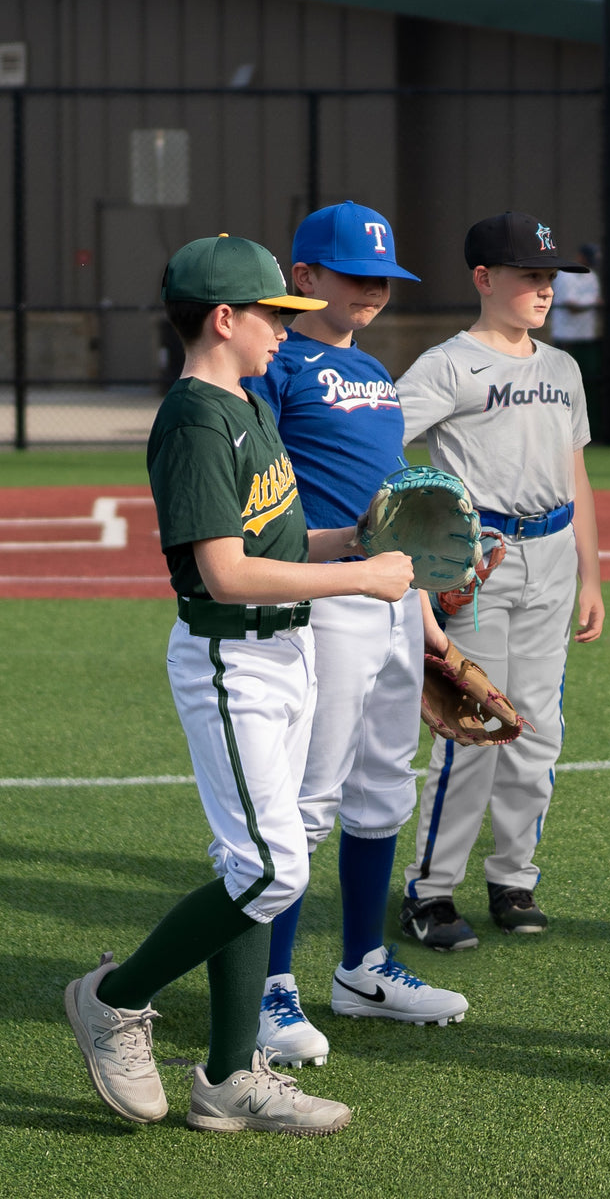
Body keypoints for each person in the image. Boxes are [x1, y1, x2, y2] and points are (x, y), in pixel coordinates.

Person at [64, 234, 414, 1135]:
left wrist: (368, 540)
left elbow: (284, 546)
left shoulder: (248, 406)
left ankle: (228, 1078)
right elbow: (226, 573)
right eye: (273, 315)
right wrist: (358, 580)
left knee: (251, 866)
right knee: (269, 866)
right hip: (233, 660)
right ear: (225, 319)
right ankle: (114, 998)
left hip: (285, 653)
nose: (284, 331)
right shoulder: (193, 419)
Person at [242, 202, 469, 1069]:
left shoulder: (376, 370)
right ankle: (269, 986)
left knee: (384, 785)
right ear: (304, 279)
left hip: (388, 601)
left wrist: (419, 611)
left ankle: (363, 966)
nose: (373, 289)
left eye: (383, 278)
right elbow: (260, 489)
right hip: (322, 597)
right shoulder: (279, 367)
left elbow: (391, 506)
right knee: (308, 797)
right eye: (354, 275)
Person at [394, 210, 605, 951]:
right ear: (485, 278)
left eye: (550, 277)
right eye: (529, 276)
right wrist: (421, 541)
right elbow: (380, 439)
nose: (544, 290)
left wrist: (592, 574)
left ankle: (514, 875)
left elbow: (574, 472)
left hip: (551, 556)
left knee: (536, 727)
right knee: (471, 723)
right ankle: (432, 888)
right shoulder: (449, 365)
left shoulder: (562, 369)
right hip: (475, 563)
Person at [549, 244, 603, 435]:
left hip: (587, 338)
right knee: (564, 386)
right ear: (580, 256)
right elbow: (571, 305)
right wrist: (592, 304)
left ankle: (591, 431)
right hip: (567, 339)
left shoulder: (592, 276)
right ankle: (564, 431)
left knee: (590, 385)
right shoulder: (565, 276)